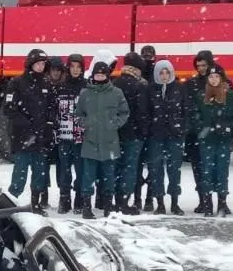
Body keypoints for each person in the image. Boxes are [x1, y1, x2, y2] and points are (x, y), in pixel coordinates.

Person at [73, 53, 129, 218]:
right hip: (90, 142)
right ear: (93, 75)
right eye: (96, 74)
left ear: (107, 76)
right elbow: (78, 114)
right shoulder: (85, 94)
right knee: (87, 176)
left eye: (102, 74)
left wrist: (114, 124)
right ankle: (86, 207)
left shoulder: (117, 93)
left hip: (110, 142)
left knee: (109, 176)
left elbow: (124, 113)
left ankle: (107, 206)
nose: (99, 77)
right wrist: (86, 123)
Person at [5, 49, 56, 209]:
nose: (41, 67)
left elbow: (52, 107)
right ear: (30, 64)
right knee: (20, 172)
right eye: (38, 63)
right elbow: (8, 108)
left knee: (40, 172)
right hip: (22, 137)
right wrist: (26, 124)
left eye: (43, 64)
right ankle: (12, 201)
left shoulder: (47, 84)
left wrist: (49, 123)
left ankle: (36, 203)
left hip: (41, 138)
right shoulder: (17, 83)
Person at [193, 65, 233, 216]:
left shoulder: (231, 96)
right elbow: (195, 116)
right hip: (207, 140)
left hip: (223, 140)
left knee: (222, 171)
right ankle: (207, 203)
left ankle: (222, 203)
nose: (214, 80)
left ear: (222, 79)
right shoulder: (201, 96)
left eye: (217, 77)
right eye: (211, 77)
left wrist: (230, 127)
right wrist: (203, 128)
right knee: (206, 171)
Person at [144, 60, 188, 214]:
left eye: (167, 72)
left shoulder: (179, 89)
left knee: (174, 169)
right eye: (161, 73)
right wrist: (149, 129)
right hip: (156, 136)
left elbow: (185, 111)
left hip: (174, 136)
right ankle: (160, 202)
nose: (164, 76)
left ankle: (175, 202)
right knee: (156, 170)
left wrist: (181, 128)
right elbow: (146, 112)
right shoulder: (150, 89)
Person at [114, 52, 152, 215]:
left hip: (116, 133)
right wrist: (143, 132)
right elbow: (142, 112)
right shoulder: (140, 85)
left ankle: (114, 200)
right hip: (134, 134)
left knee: (116, 167)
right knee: (130, 168)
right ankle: (124, 201)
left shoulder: (115, 83)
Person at [182, 50, 216, 210]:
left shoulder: (219, 82)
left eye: (204, 65)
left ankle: (217, 200)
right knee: (199, 168)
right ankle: (203, 199)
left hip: (213, 133)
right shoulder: (192, 84)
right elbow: (188, 108)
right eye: (198, 65)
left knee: (213, 168)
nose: (201, 68)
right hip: (196, 134)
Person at [53, 54, 87, 214]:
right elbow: (53, 110)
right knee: (64, 170)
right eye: (72, 66)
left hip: (81, 137)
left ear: (82, 69)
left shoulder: (87, 87)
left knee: (81, 170)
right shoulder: (60, 86)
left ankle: (79, 200)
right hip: (64, 136)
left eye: (78, 67)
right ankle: (64, 199)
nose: (75, 70)